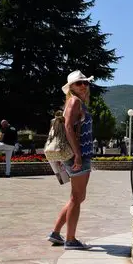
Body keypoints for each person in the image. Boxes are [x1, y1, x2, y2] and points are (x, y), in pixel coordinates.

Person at [47, 70, 94, 250]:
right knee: (77, 197)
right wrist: (78, 155)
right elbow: (67, 127)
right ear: (71, 87)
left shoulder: (77, 103)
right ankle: (71, 240)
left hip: (79, 154)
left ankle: (56, 233)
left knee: (77, 196)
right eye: (79, 83)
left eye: (85, 83)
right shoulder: (74, 101)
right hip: (78, 155)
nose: (83, 86)